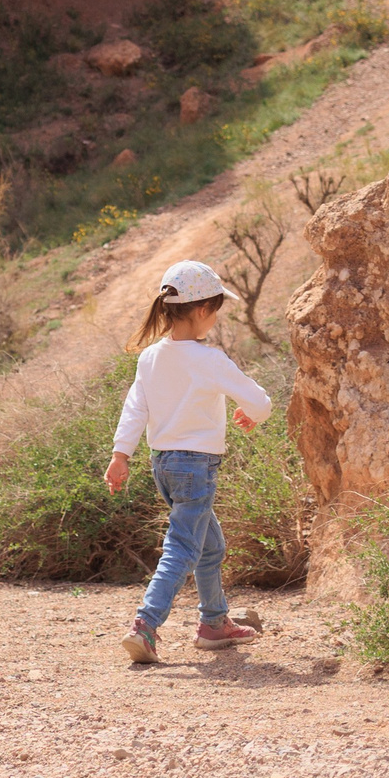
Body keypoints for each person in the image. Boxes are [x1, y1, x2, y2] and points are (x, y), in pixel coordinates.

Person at [105, 260, 273, 664]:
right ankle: (145, 625)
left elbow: (135, 409)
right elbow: (260, 401)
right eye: (215, 311)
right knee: (182, 547)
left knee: (210, 546)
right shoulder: (209, 359)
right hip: (196, 467)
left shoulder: (150, 358)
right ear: (202, 309)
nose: (214, 319)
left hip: (162, 465)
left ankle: (214, 623)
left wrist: (120, 455)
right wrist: (253, 414)